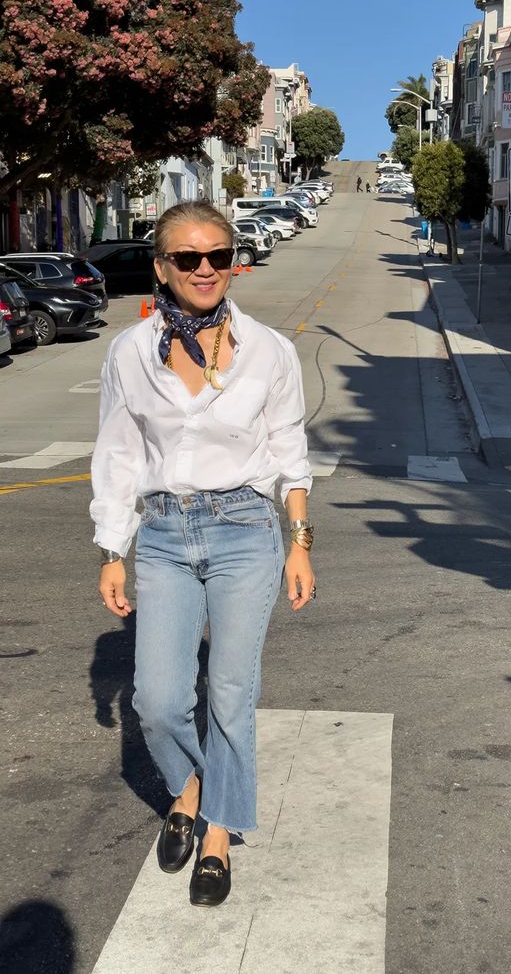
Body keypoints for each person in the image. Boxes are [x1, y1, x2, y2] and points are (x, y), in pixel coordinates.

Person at [90, 200, 315, 908]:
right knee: (157, 702)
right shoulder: (129, 353)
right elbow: (118, 456)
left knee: (230, 689)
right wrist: (111, 548)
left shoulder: (268, 350)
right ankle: (189, 786)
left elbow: (289, 453)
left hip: (246, 527)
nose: (206, 269)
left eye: (219, 254)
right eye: (188, 258)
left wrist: (299, 541)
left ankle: (217, 830)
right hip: (160, 531)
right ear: (162, 266)